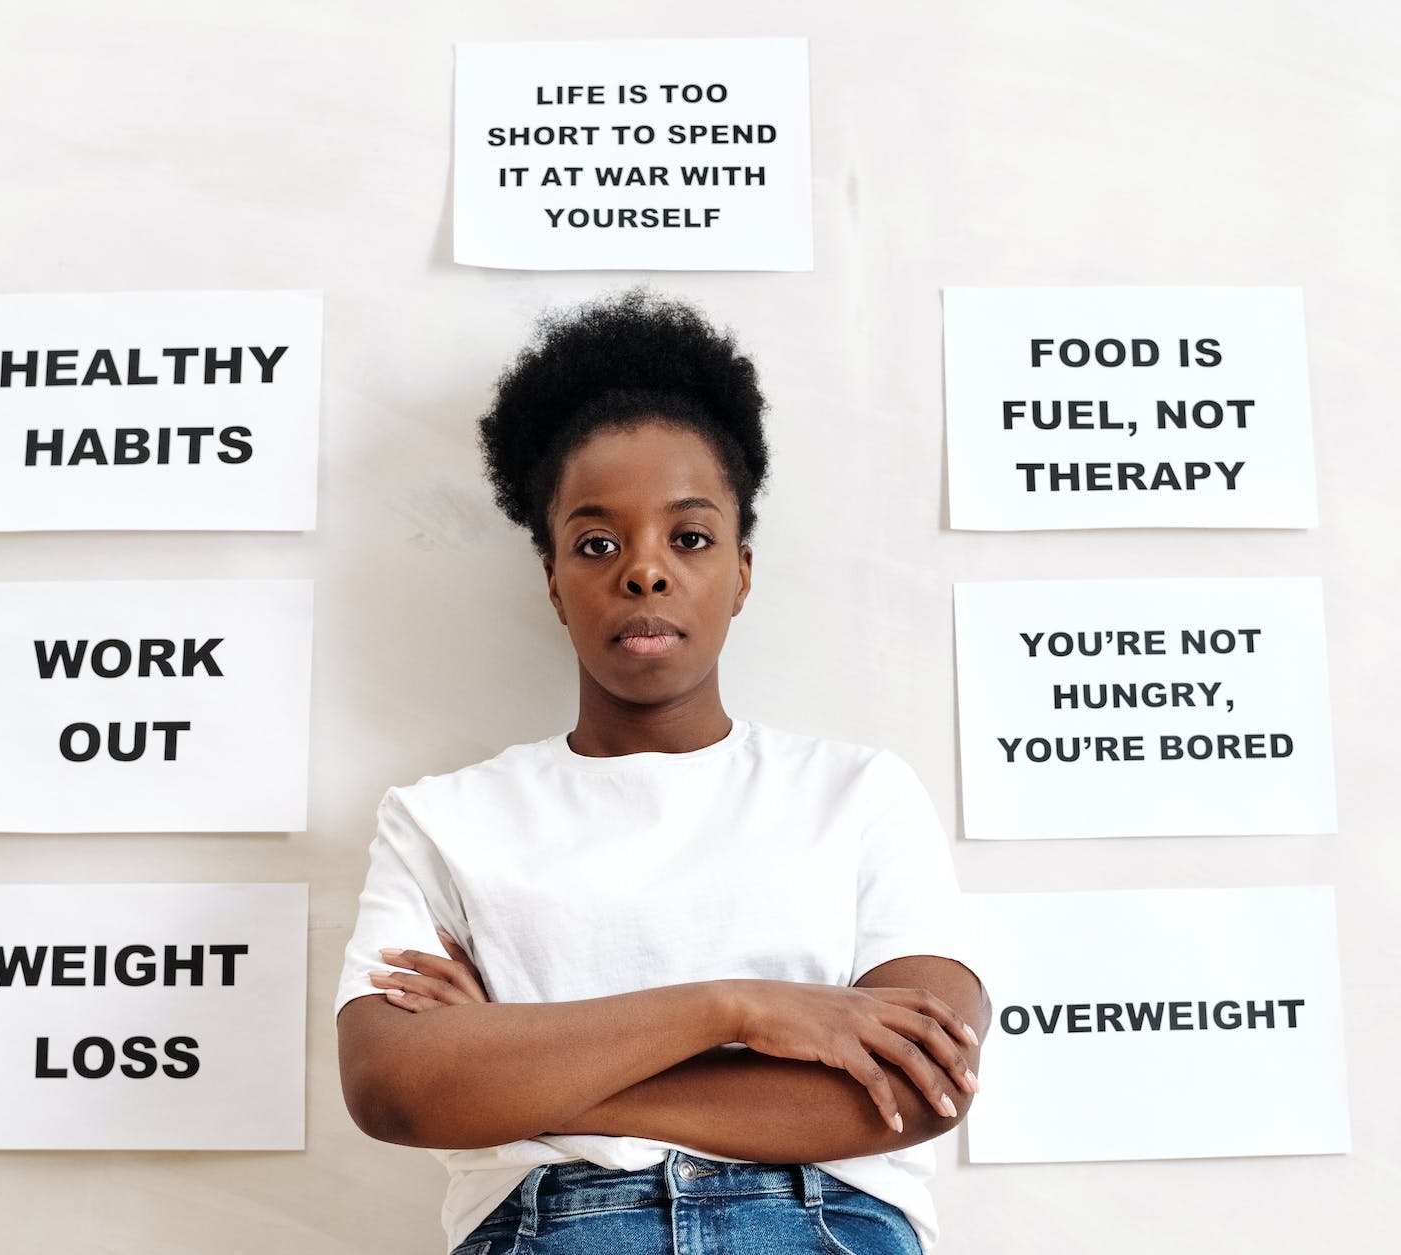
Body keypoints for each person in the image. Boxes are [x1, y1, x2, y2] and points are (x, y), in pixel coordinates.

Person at [334, 287, 989, 1255]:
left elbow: (918, 1084)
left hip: (816, 1224)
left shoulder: (858, 794)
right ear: (554, 582)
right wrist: (741, 1007)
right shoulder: (442, 819)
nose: (644, 571)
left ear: (740, 570)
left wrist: (519, 1077)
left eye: (688, 537)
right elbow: (393, 1088)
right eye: (596, 543)